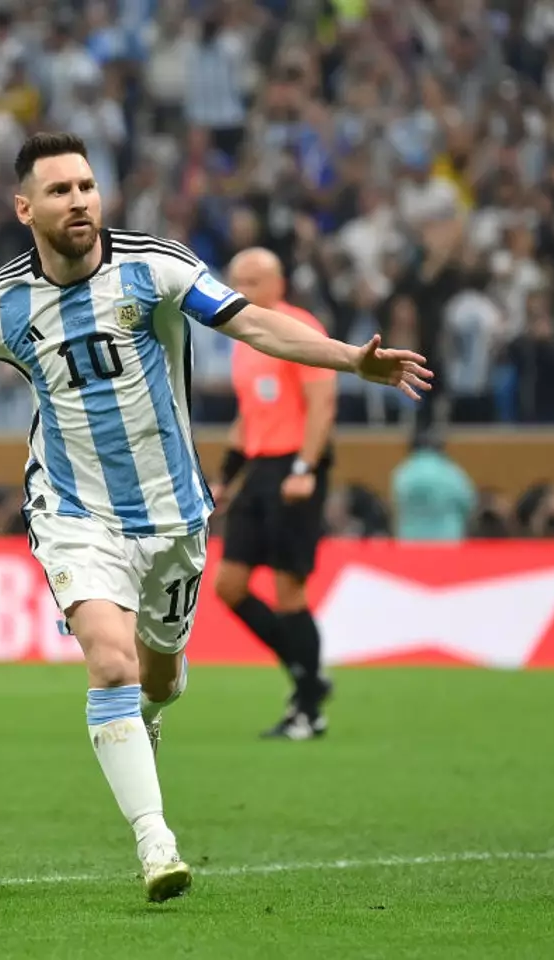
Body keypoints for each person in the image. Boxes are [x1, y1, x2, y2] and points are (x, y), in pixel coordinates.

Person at [0, 133, 432, 902]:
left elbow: (253, 323)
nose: (80, 200)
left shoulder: (154, 266)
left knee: (161, 674)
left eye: (88, 186)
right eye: (59, 191)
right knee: (111, 661)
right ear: (25, 208)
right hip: (73, 513)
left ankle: (145, 718)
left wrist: (349, 360)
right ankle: (155, 841)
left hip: (172, 516)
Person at [211, 248, 337, 741]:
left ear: (278, 282)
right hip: (260, 468)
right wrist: (226, 476)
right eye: (236, 279)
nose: (241, 288)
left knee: (289, 592)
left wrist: (306, 467)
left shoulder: (299, 327)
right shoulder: (244, 337)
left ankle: (308, 705)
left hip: (294, 467)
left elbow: (322, 403)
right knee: (230, 585)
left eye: (253, 279)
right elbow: (250, 415)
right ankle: (307, 673)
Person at [391, 429, 475, 542]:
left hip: (411, 541)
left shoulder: (404, 471)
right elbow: (468, 502)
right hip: (447, 541)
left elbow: (397, 502)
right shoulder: (451, 471)